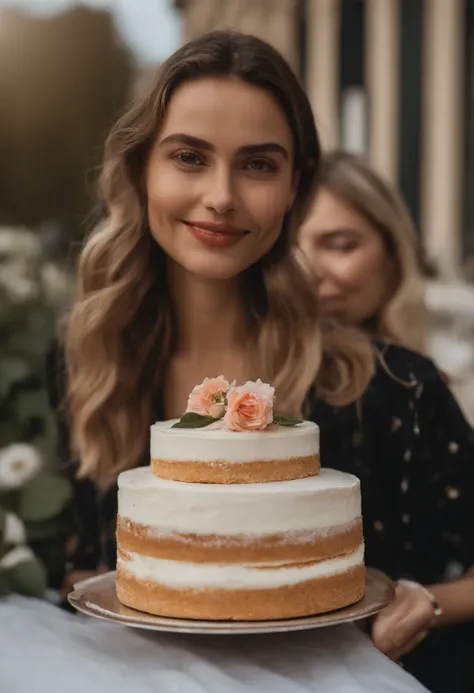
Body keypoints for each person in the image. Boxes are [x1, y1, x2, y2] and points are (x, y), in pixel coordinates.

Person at [46, 31, 474, 693]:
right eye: (189, 156)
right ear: (140, 170)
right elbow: (83, 566)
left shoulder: (394, 388)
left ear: (294, 185)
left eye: (257, 164)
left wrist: (433, 601)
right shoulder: (90, 370)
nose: (221, 195)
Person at [298, 150, 429, 354]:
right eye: (285, 249)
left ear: (393, 255)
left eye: (340, 245)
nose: (307, 270)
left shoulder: (420, 378)